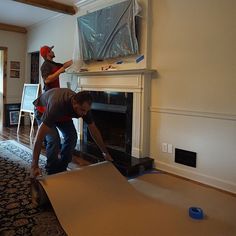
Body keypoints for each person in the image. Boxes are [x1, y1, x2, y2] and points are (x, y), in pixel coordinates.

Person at [31, 88, 113, 178]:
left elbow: (93, 129)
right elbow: (39, 137)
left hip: (63, 115)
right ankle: (52, 171)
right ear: (74, 103)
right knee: (54, 139)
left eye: (86, 111)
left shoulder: (84, 108)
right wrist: (34, 165)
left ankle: (62, 168)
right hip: (42, 110)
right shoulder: (57, 105)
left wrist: (105, 152)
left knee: (72, 137)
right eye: (82, 110)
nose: (85, 114)